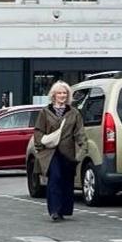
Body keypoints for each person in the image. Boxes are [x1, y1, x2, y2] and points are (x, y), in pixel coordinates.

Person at [31, 81, 87, 222]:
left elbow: (79, 133)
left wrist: (82, 150)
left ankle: (64, 209)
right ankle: (54, 210)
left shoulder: (74, 113)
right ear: (53, 95)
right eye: (59, 93)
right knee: (55, 179)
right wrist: (40, 147)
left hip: (68, 152)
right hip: (50, 153)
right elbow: (38, 131)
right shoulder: (45, 112)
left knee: (66, 181)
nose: (62, 95)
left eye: (65, 93)